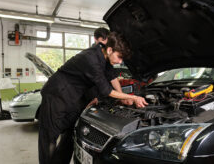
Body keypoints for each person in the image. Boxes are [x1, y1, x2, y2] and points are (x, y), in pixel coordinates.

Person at [38, 32, 148, 164]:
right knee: (49, 138)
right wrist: (134, 97)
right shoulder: (91, 58)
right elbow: (107, 91)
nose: (120, 61)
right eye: (119, 57)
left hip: (74, 97)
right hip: (56, 95)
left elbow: (112, 77)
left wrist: (124, 99)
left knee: (69, 135)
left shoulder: (105, 56)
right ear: (109, 50)